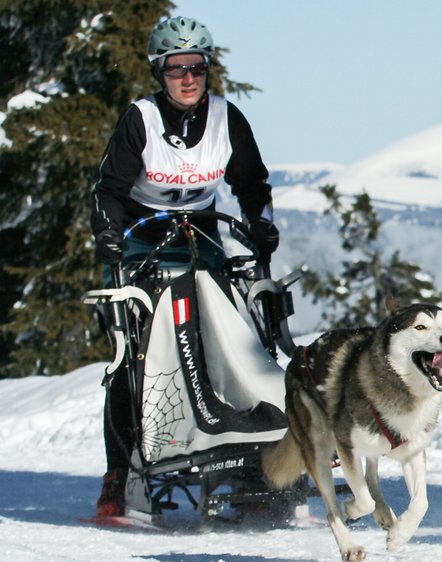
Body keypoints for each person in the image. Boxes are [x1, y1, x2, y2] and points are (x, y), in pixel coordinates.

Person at [89, 16, 280, 517]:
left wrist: (260, 225)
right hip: (140, 243)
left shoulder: (226, 117)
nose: (188, 78)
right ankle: (119, 474)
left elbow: (253, 187)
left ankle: (253, 457)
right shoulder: (141, 119)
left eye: (197, 67)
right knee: (133, 353)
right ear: (160, 72)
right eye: (176, 69)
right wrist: (108, 236)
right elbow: (108, 191)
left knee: (237, 331)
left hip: (201, 240)